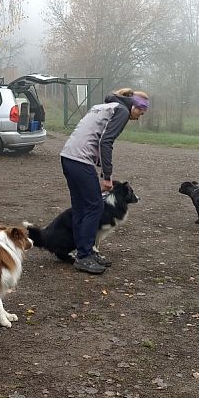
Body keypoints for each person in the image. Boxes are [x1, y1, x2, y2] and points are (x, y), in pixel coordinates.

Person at [59, 88, 149, 275]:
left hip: (68, 156)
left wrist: (99, 165)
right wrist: (107, 175)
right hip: (80, 160)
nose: (141, 115)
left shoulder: (106, 106)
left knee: (81, 207)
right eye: (142, 110)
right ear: (135, 105)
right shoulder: (122, 111)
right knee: (95, 207)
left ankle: (85, 252)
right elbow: (106, 141)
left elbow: (97, 136)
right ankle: (84, 256)